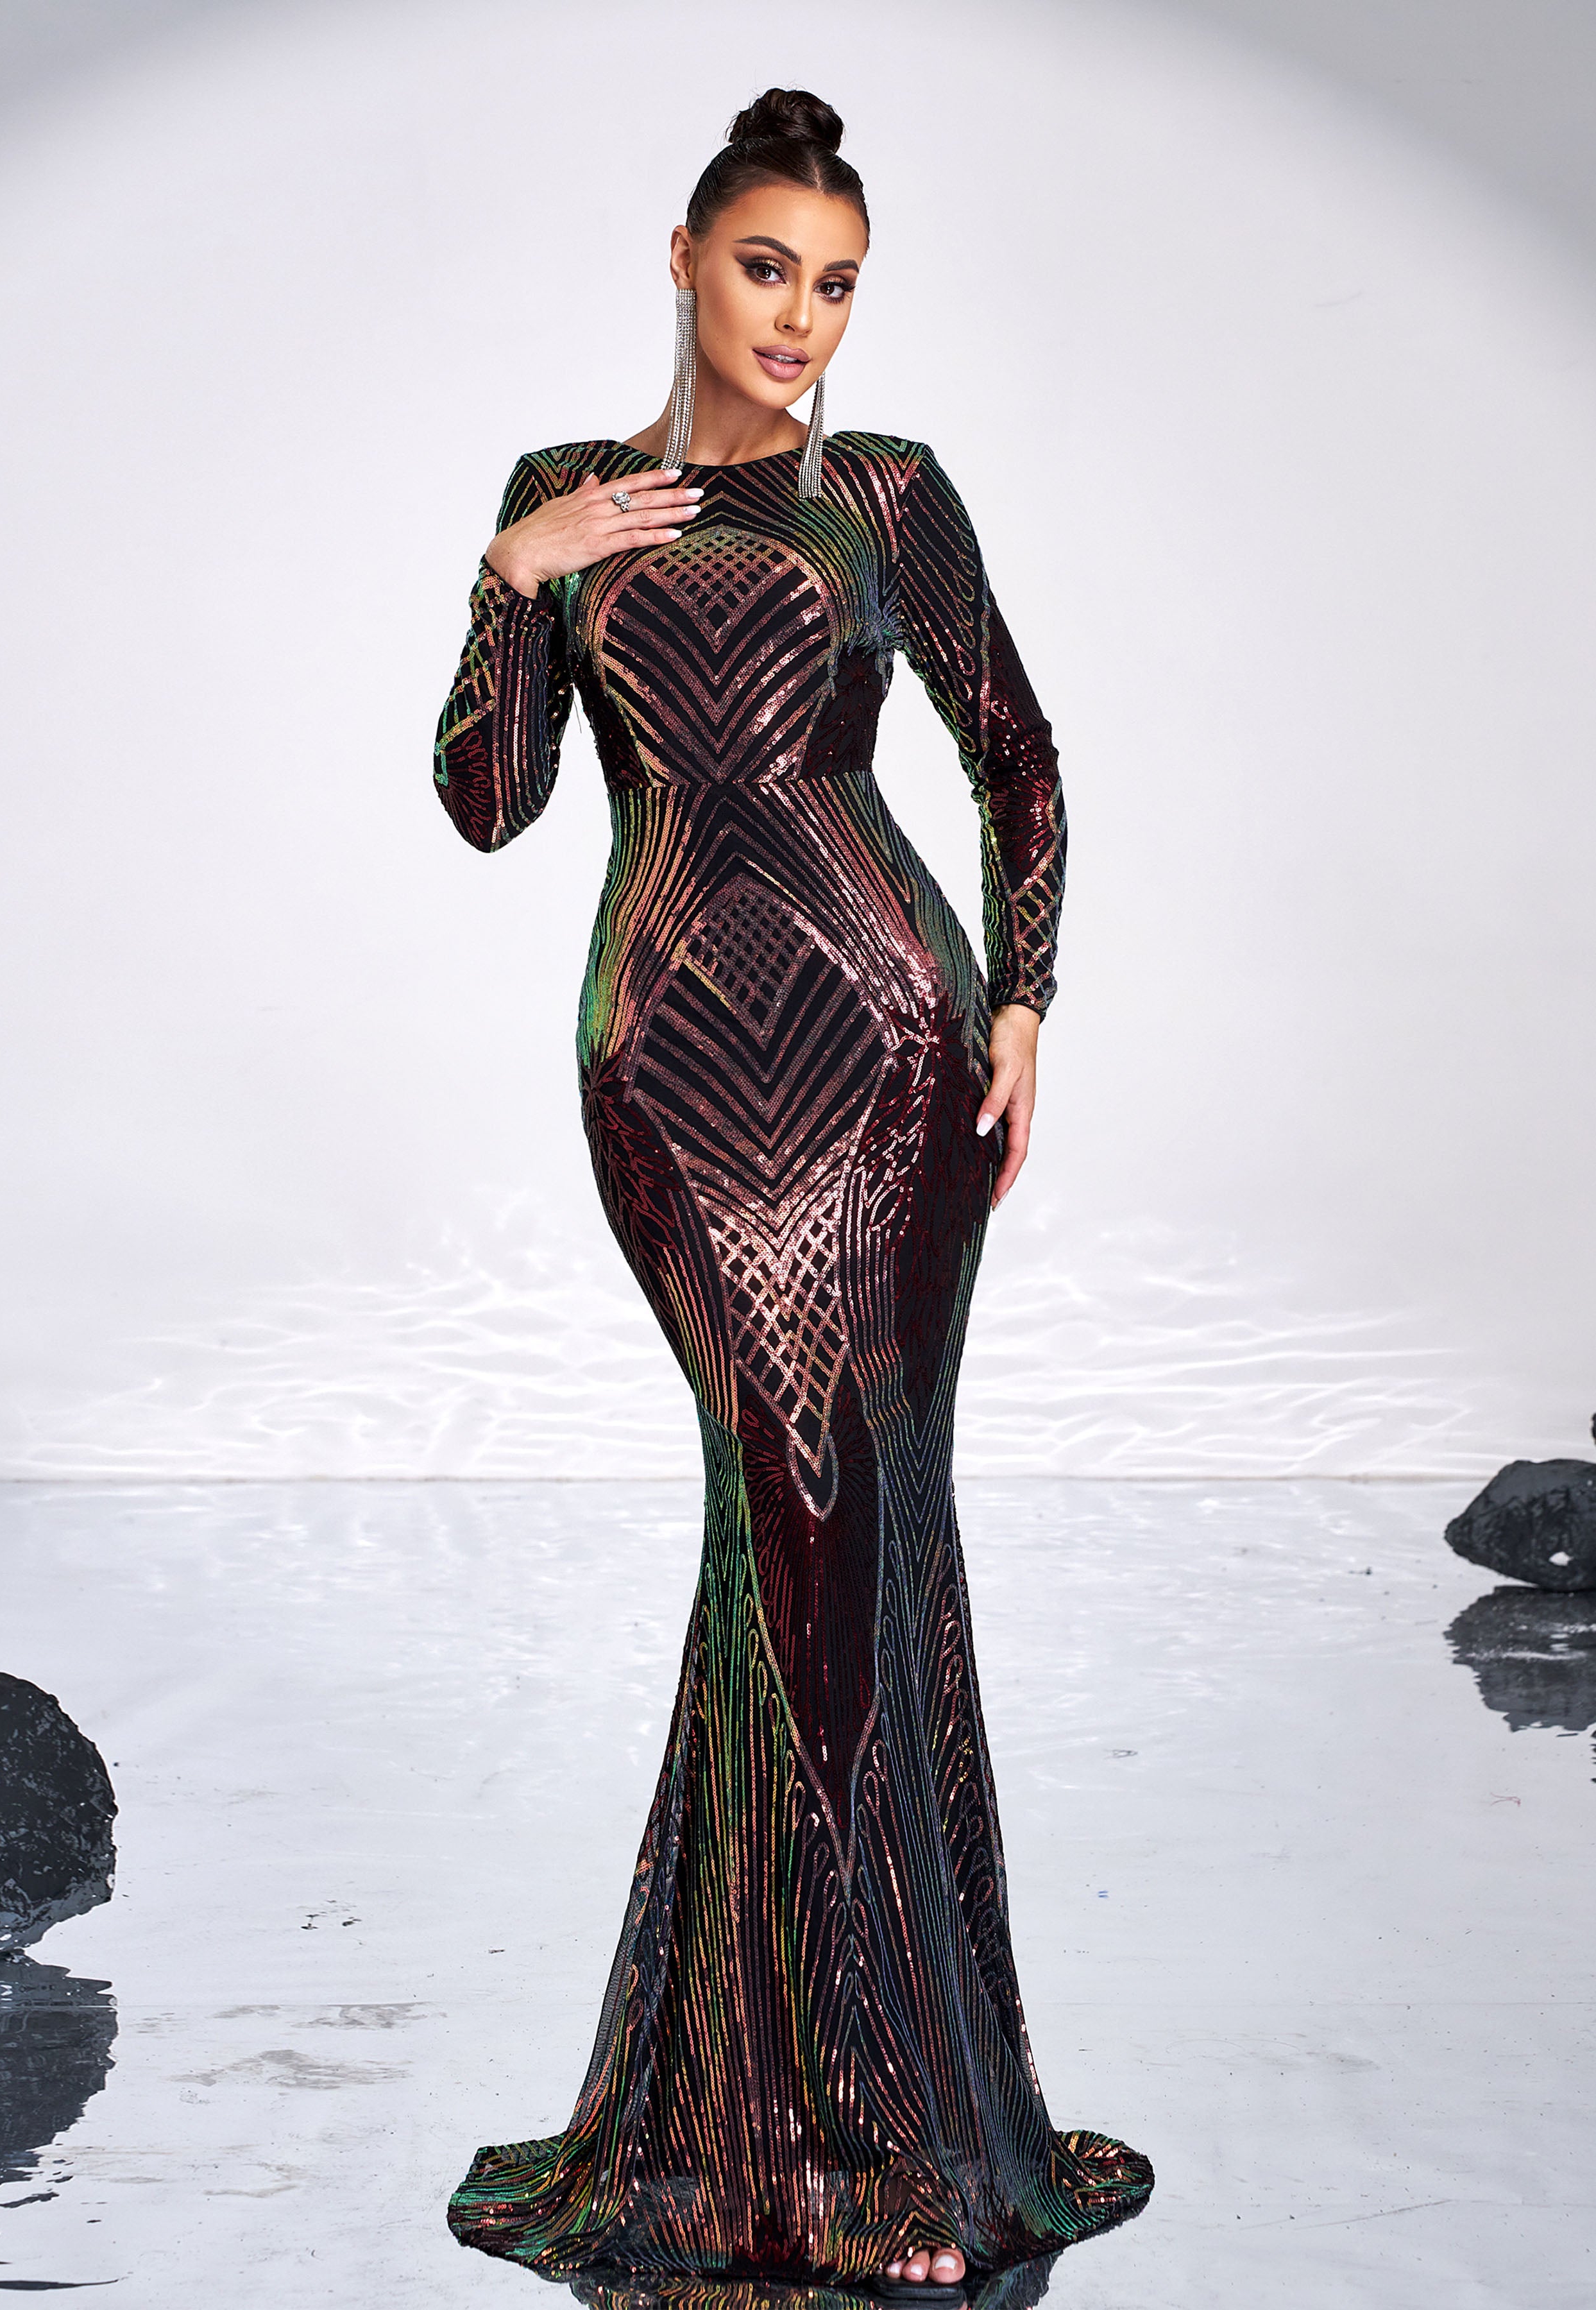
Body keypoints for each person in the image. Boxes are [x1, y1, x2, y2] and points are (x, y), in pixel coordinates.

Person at [432, 86, 1152, 2301]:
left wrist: (1021, 1000)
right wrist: (508, 582)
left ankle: (883, 2126)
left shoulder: (888, 496)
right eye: (766, 269)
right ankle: (767, 2115)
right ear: (681, 261)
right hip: (670, 1052)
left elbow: (1013, 747)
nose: (800, 321)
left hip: (889, 1040)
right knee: (786, 1522)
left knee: (862, 1530)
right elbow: (487, 803)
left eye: (835, 286)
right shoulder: (564, 492)